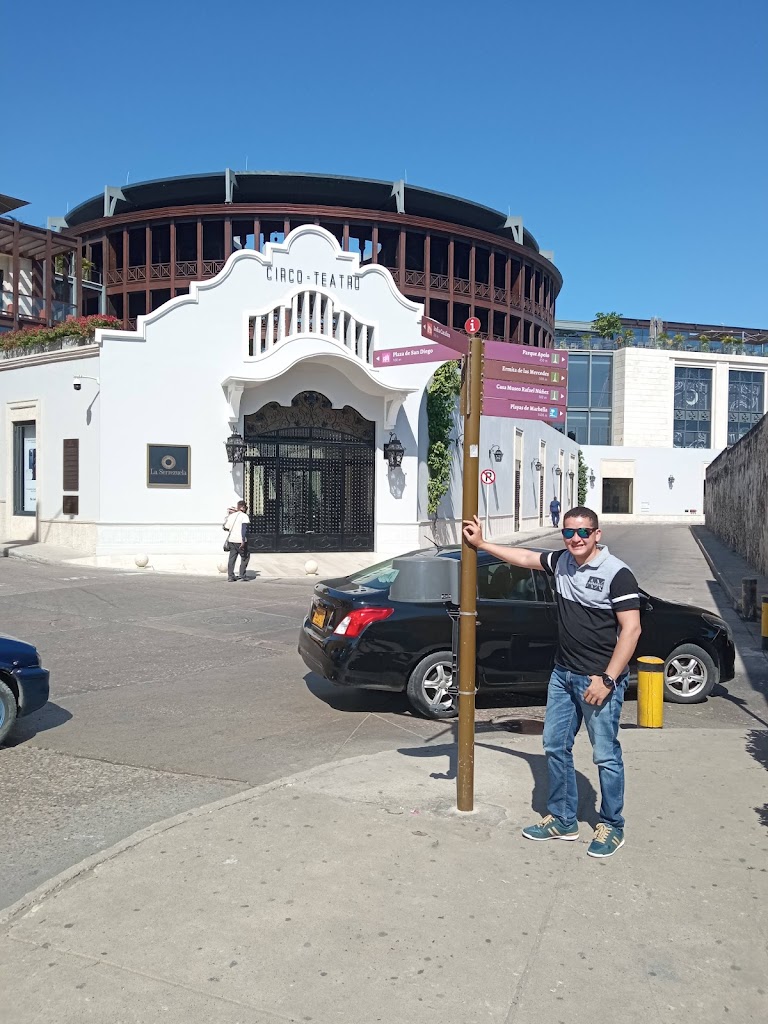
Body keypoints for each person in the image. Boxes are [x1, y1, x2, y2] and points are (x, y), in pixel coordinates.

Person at [462, 506, 641, 859]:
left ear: (597, 535)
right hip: (563, 675)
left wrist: (607, 679)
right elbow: (527, 557)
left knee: (605, 755)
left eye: (583, 533)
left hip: (598, 680)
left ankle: (612, 825)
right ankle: (563, 819)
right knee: (555, 746)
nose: (575, 539)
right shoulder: (561, 562)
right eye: (569, 532)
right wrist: (482, 543)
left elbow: (631, 630)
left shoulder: (617, 574)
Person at [223, 500, 251, 582]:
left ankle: (230, 576)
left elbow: (226, 528)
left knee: (232, 558)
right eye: (245, 507)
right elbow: (244, 528)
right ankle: (242, 574)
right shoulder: (244, 516)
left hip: (232, 540)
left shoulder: (231, 516)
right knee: (245, 556)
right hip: (240, 540)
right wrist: (243, 540)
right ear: (243, 507)